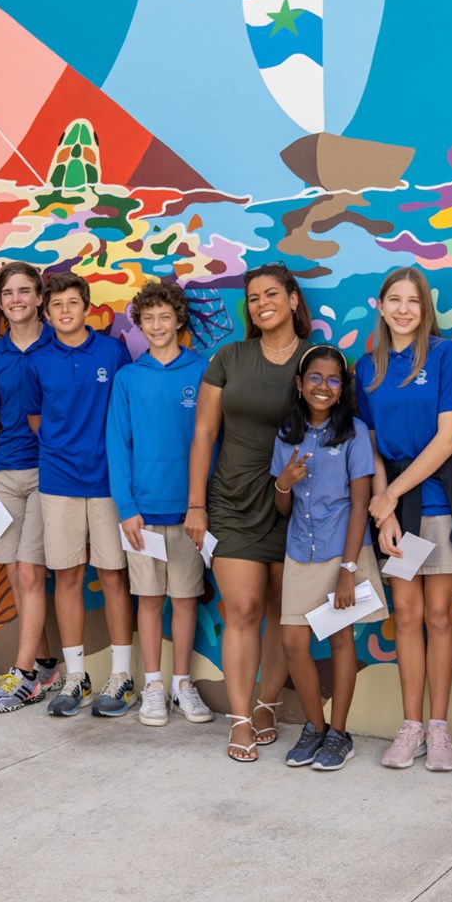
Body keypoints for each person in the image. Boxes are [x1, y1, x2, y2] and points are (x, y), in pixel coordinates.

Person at [185, 264, 312, 762]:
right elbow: (203, 435)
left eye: (272, 294)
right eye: (253, 297)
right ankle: (239, 719)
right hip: (232, 501)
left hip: (297, 503)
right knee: (242, 609)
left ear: (293, 300)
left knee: (284, 611)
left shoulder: (316, 359)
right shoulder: (228, 357)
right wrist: (196, 504)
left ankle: (266, 703)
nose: (262, 303)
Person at [357, 266, 452, 772]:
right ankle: (411, 727)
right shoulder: (366, 368)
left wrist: (392, 495)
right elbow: (373, 445)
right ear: (379, 306)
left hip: (438, 501)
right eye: (395, 300)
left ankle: (440, 728)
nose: (404, 309)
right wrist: (383, 505)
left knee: (440, 615)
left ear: (425, 310)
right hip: (395, 507)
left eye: (414, 301)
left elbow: (449, 438)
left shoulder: (446, 356)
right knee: (404, 615)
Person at [24, 271, 135, 718]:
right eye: (56, 306)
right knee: (67, 575)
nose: (65, 311)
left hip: (109, 482)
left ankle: (122, 676)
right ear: (45, 313)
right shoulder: (37, 360)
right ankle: (75, 677)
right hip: (59, 482)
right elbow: (36, 418)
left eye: (73, 303)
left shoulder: (112, 350)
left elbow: (125, 415)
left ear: (87, 307)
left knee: (112, 574)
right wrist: (62, 448)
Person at [106, 279, 214, 726]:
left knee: (185, 599)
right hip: (143, 514)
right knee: (149, 600)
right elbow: (117, 444)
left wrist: (201, 504)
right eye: (148, 318)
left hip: (189, 511)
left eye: (165, 317)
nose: (156, 325)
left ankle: (181, 684)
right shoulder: (129, 377)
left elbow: (214, 441)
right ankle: (152, 684)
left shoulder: (203, 371)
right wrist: (127, 508)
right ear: (139, 324)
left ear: (179, 321)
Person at [273, 346, 386, 772]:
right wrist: (283, 483)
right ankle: (314, 727)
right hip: (301, 549)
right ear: (300, 385)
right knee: (293, 641)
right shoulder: (287, 433)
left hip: (344, 551)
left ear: (342, 390)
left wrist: (348, 571)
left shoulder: (354, 433)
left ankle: (339, 733)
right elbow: (282, 507)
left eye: (333, 380)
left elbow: (360, 505)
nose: (323, 386)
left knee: (341, 641)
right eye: (315, 378)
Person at [0, 262, 63, 713]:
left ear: (39, 297)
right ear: (0, 301)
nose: (16, 299)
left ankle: (23, 674)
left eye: (25, 291)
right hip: (4, 476)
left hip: (50, 474)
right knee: (14, 573)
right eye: (8, 293)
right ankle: (46, 663)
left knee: (29, 572)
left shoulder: (59, 344)